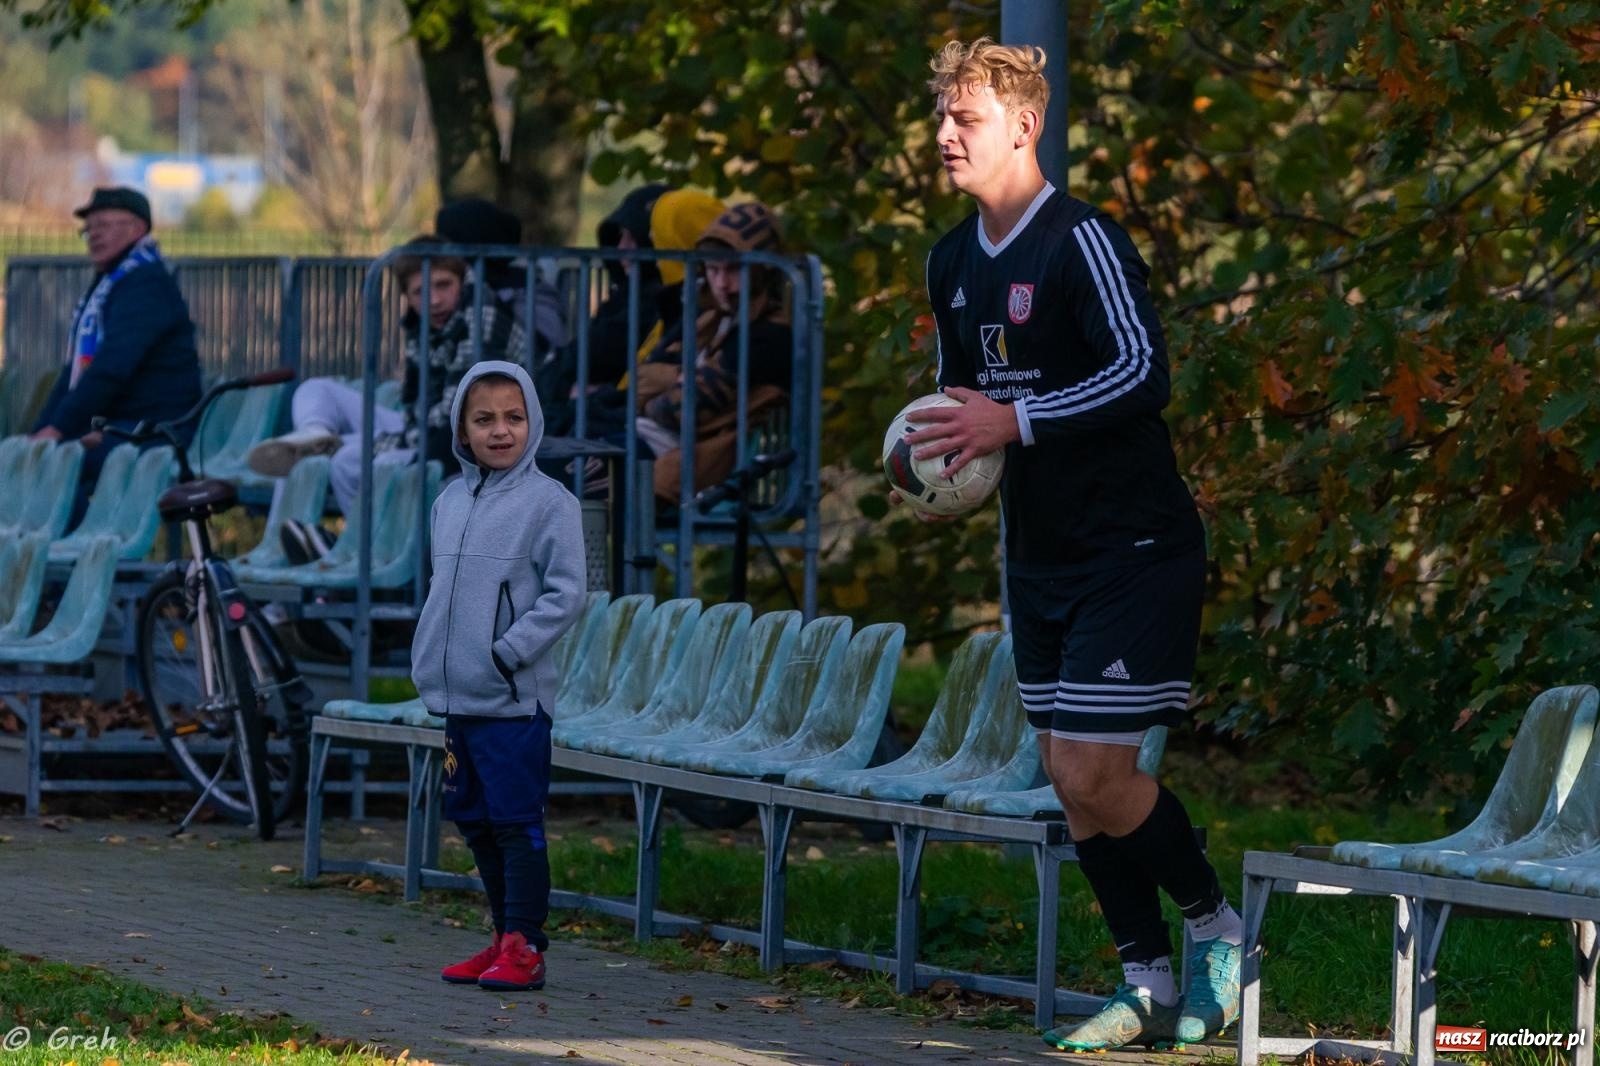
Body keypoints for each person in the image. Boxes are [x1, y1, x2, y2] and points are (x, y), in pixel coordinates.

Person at [902, 39, 1240, 1051]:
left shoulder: (1081, 239)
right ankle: (1143, 983)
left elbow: (1144, 371)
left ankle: (1220, 930)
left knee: (1095, 772)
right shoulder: (950, 260)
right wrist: (937, 451)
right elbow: (963, 402)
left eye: (964, 117)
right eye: (941, 118)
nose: (946, 135)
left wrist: (1015, 422)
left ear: (1022, 123)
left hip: (1133, 544)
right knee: (1068, 774)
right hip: (1038, 554)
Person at [410, 360, 586, 992]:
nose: (501, 431)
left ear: (533, 421)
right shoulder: (449, 500)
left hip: (513, 699)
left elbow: (567, 594)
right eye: (484, 419)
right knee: (476, 821)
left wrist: (508, 652)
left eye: (514, 417)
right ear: (463, 426)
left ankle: (526, 945)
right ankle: (500, 936)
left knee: (516, 823)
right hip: (460, 698)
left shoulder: (550, 503)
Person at [247, 237, 527, 513]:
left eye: (443, 285)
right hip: (420, 427)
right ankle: (316, 435)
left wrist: (388, 448)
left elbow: (456, 418)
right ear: (407, 295)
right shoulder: (423, 323)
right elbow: (415, 404)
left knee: (346, 462)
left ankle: (362, 552)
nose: (435, 300)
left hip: (453, 439)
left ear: (461, 279)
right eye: (421, 292)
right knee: (314, 389)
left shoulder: (481, 314)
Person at [31, 186, 201, 525]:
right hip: (121, 425)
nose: (93, 235)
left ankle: (83, 554)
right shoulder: (113, 282)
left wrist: (57, 430)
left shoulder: (145, 284)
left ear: (137, 229)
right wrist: (43, 430)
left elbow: (111, 369)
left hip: (154, 431)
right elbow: (75, 373)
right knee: (37, 457)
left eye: (104, 225)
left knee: (58, 464)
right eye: (88, 228)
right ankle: (58, 557)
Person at [632, 200, 793, 501]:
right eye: (713, 269)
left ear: (761, 272)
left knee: (563, 471)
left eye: (733, 270)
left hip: (679, 460)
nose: (721, 283)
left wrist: (669, 383)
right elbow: (640, 380)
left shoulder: (769, 336)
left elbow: (677, 410)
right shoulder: (711, 315)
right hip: (649, 442)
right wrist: (679, 380)